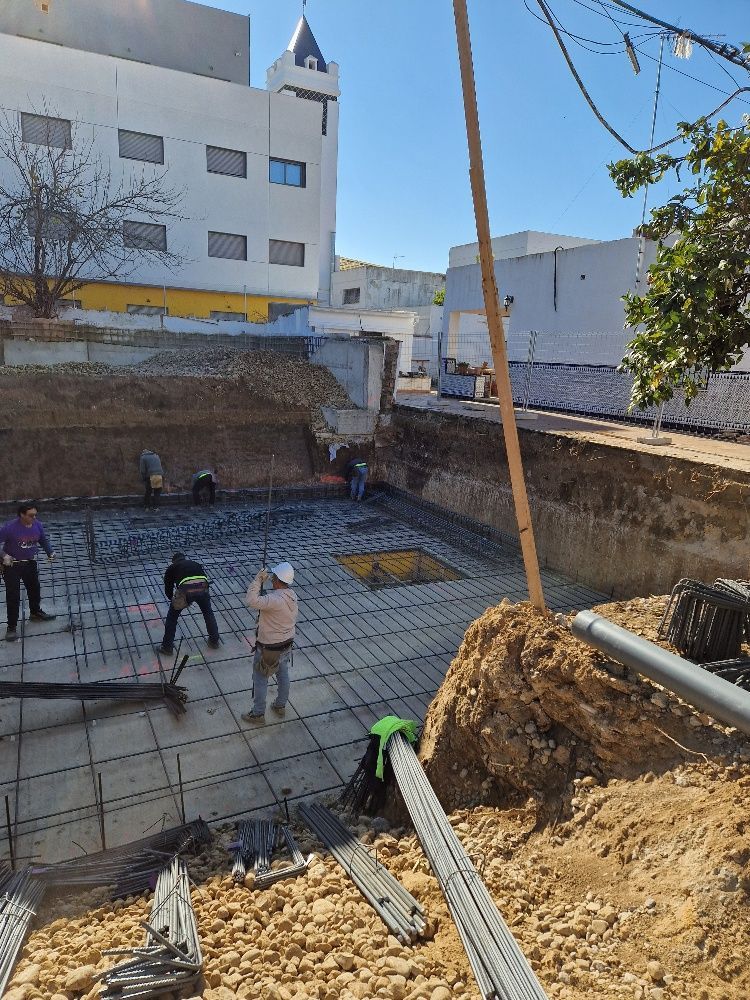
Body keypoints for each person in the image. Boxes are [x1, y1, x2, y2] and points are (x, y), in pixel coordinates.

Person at [243, 562, 298, 724]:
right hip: (286, 644)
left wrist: (258, 581)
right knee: (283, 674)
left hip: (269, 649)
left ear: (277, 580)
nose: (272, 579)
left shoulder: (274, 600)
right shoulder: (292, 595)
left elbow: (251, 601)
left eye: (273, 577)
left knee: (260, 679)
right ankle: (280, 706)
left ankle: (258, 714)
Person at [0, 502, 56, 641]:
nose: (34, 517)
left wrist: (50, 552)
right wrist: (3, 555)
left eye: (35, 515)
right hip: (11, 565)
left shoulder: (37, 525)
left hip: (29, 562)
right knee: (13, 595)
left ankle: (35, 613)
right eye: (31, 515)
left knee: (34, 589)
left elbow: (42, 539)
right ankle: (11, 627)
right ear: (22, 515)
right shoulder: (10, 528)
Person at [157, 552, 220, 654]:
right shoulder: (195, 563)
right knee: (208, 613)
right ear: (184, 558)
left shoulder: (172, 567)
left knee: (172, 617)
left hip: (186, 589)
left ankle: (167, 647)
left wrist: (173, 600)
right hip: (203, 587)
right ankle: (214, 641)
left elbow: (168, 587)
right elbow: (203, 576)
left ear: (174, 561)